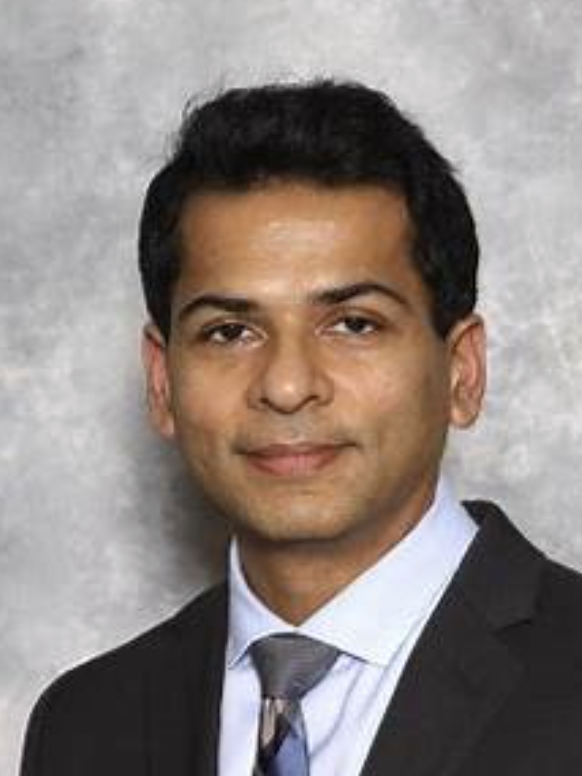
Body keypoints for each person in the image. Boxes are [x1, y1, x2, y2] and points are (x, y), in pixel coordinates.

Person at [20, 80, 582, 776]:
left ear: (462, 372)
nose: (287, 386)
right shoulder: (85, 726)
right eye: (229, 332)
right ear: (162, 382)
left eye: (354, 324)